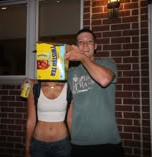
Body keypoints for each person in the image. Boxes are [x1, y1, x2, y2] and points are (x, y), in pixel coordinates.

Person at [65, 28, 124, 157]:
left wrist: (81, 57)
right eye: (81, 42)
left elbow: (104, 80)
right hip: (79, 143)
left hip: (107, 141)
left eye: (89, 41)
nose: (85, 44)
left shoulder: (107, 63)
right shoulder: (71, 73)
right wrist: (33, 82)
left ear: (95, 46)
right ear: (76, 46)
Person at [23, 79, 72, 157]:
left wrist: (74, 143)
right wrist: (26, 148)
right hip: (38, 144)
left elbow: (70, 119)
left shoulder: (69, 87)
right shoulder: (35, 88)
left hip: (62, 144)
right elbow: (31, 121)